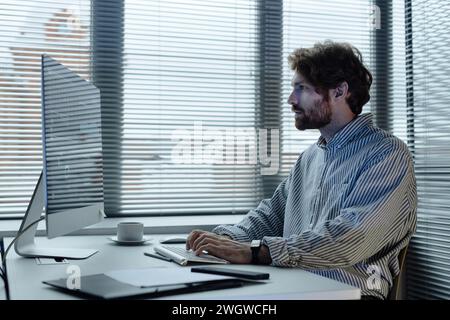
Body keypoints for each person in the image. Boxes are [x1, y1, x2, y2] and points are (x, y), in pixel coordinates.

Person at [186, 40, 417, 300]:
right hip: (295, 287)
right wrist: (221, 239)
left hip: (351, 294)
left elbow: (351, 236)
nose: (290, 99)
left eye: (302, 89)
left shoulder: (386, 154)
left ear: (340, 91)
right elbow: (270, 217)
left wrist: (257, 252)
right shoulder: (310, 158)